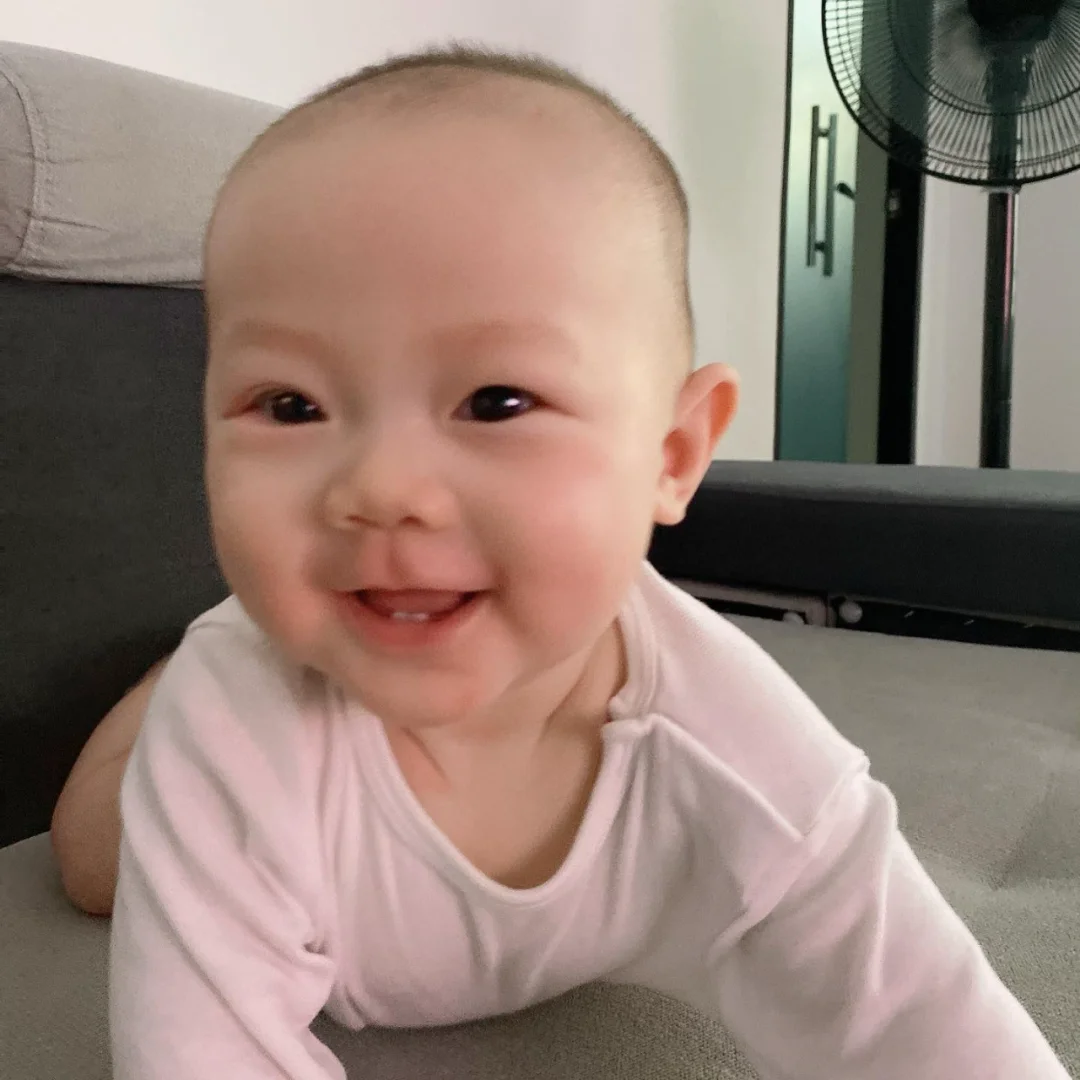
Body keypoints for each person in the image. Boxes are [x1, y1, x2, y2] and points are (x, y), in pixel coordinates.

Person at [51, 44, 1070, 1080]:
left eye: (496, 401)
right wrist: (193, 710)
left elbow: (916, 1018)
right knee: (95, 861)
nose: (382, 487)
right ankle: (166, 679)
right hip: (248, 774)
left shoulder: (743, 755)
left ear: (671, 455)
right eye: (291, 405)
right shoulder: (231, 733)